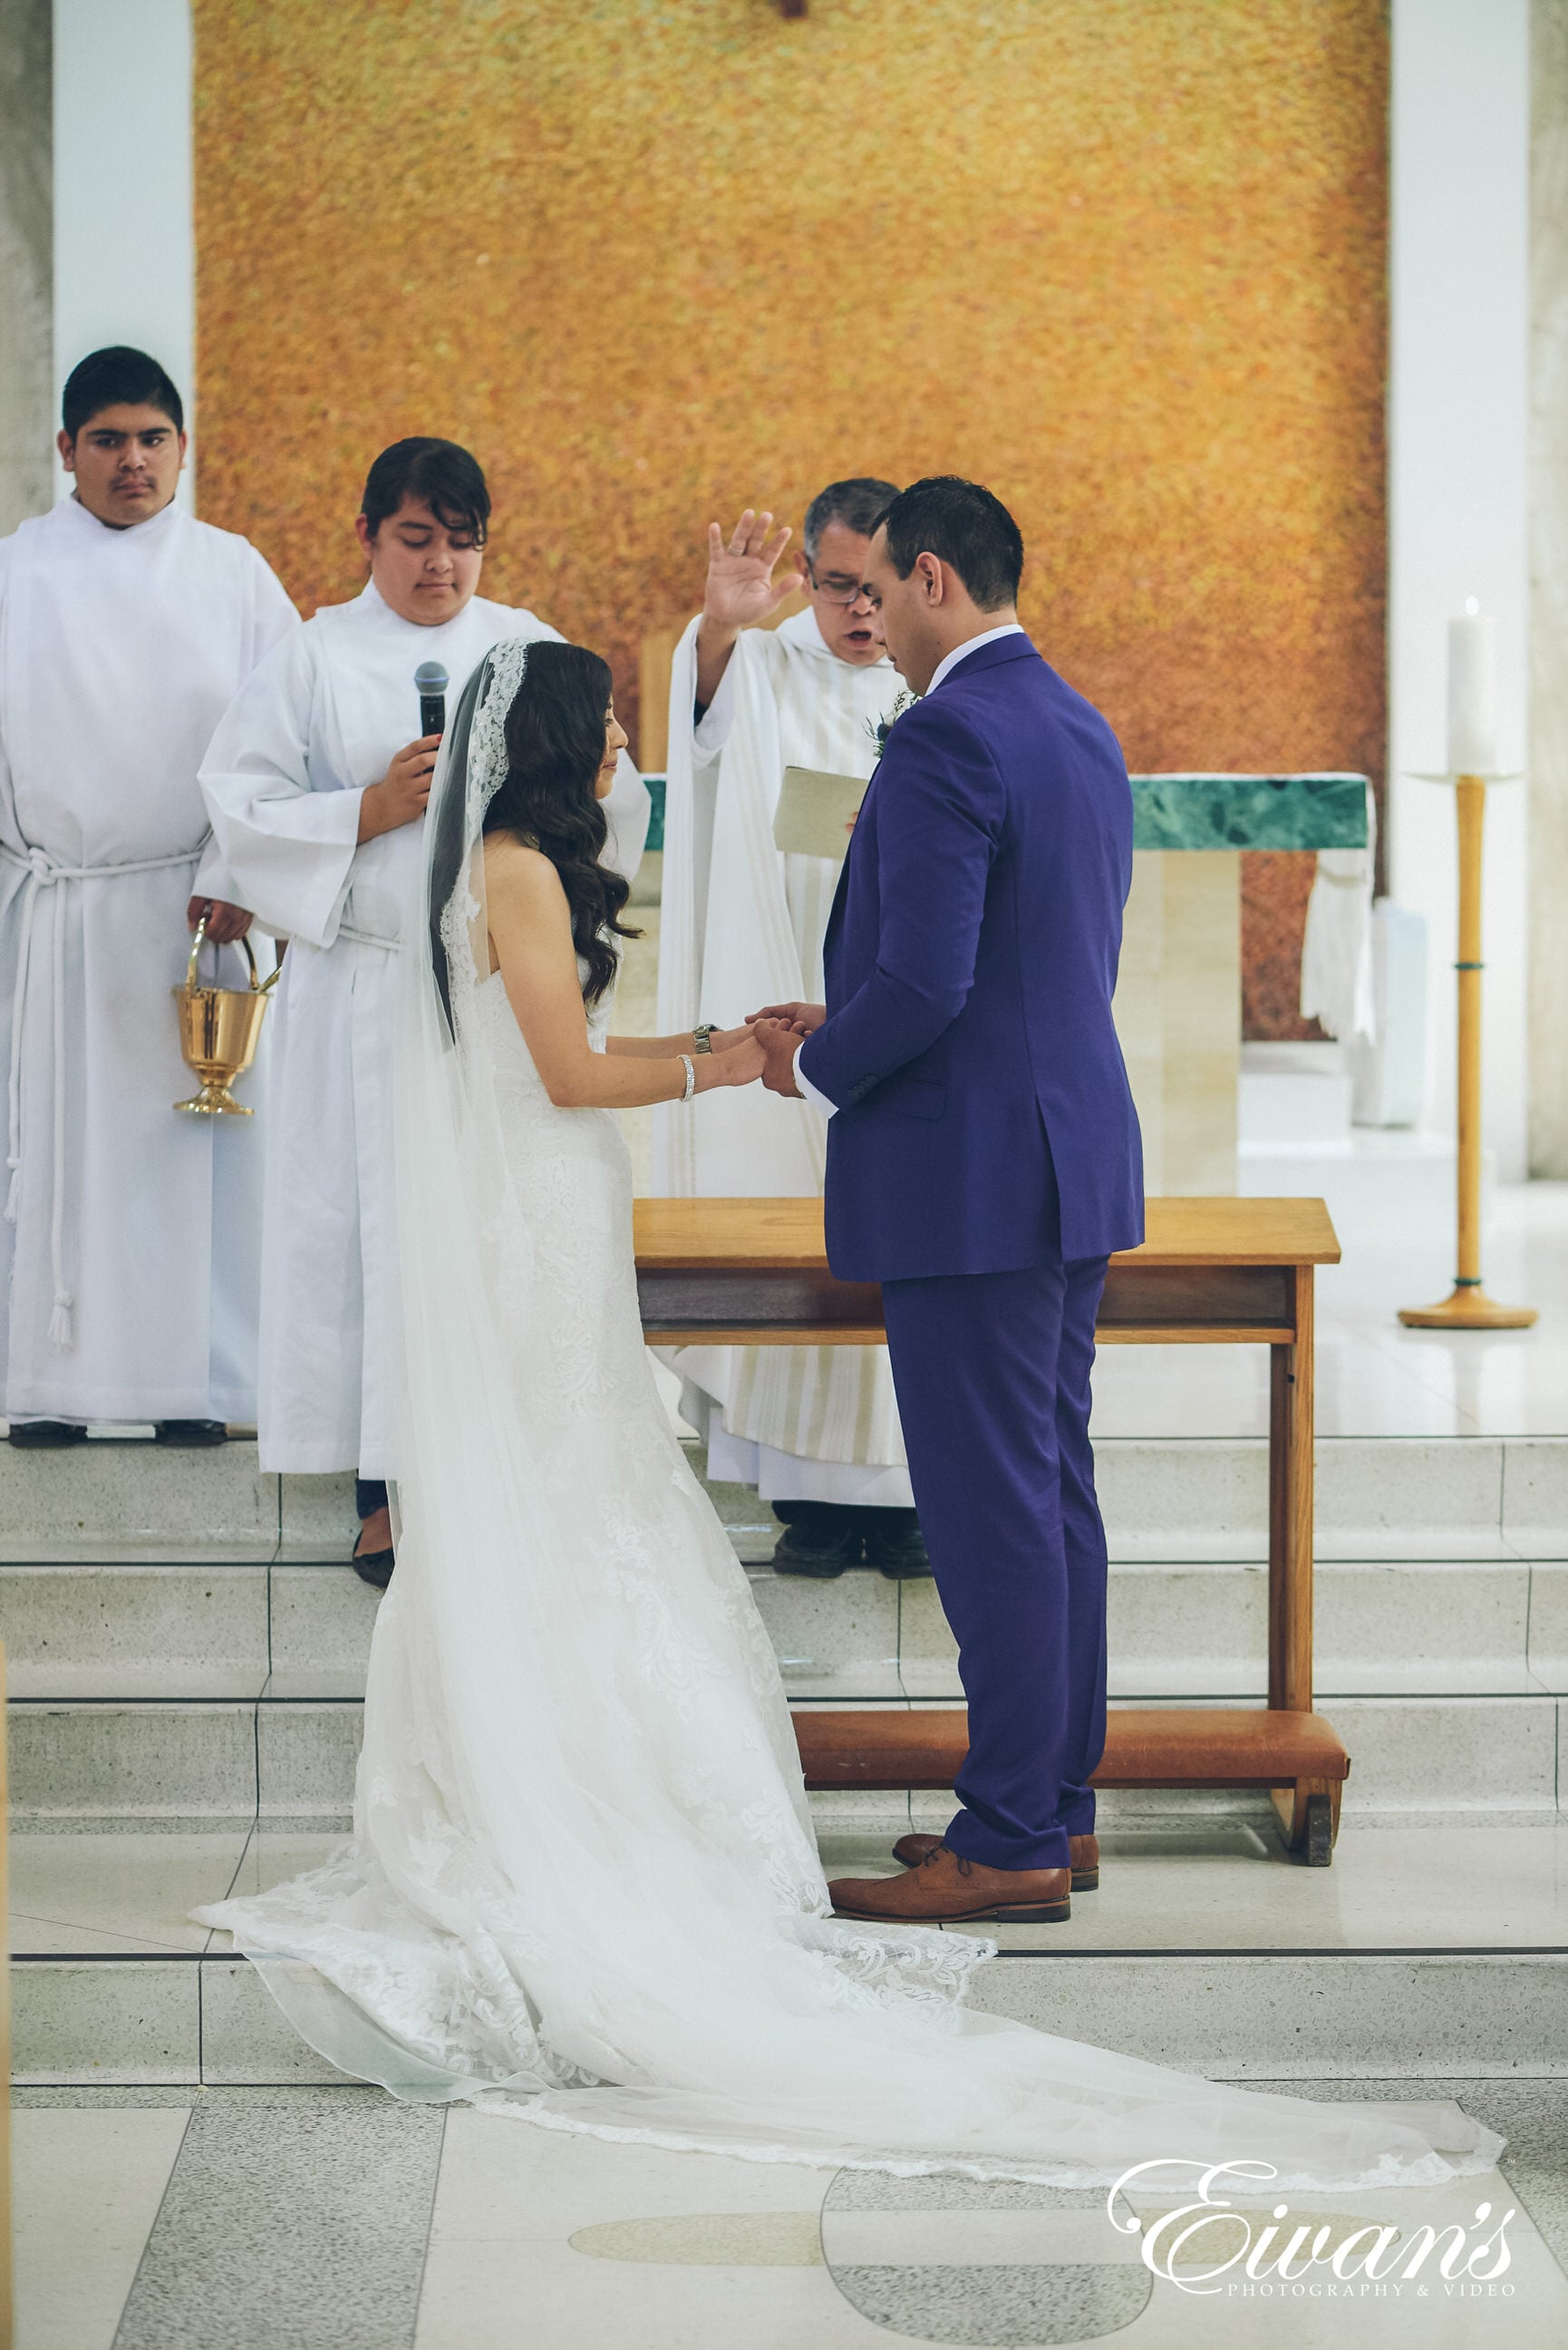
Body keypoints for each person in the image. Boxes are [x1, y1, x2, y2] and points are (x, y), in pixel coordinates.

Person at [198, 630, 1499, 2196]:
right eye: (608, 727)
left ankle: (611, 1791)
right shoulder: (517, 869)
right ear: (553, 742)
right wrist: (728, 1055)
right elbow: (561, 1070)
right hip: (537, 1207)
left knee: (589, 1487)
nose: (624, 746)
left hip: (543, 1210)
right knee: (578, 1488)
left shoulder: (520, 859)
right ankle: (583, 1812)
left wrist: (745, 1051)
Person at [750, 477, 1142, 1927]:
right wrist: (847, 1012)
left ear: (929, 578)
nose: (865, 616)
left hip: (971, 1179)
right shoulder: (1072, 721)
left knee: (989, 1516)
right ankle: (1054, 1805)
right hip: (1062, 1158)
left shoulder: (943, 737)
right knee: (1049, 1499)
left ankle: (1007, 1840)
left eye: (873, 587)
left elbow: (925, 982)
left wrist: (821, 1060)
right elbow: (1033, 956)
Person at [199, 439, 650, 1584]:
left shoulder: (527, 643)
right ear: (367, 537)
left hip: (487, 1004)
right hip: (361, 988)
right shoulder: (313, 653)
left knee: (476, 1231)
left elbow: (614, 792)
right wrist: (363, 807)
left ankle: (486, 1467)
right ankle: (382, 1487)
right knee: (369, 1234)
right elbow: (240, 810)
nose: (440, 562)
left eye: (462, 540)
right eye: (415, 538)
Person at [0, 345, 297, 1445]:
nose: (134, 461)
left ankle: (194, 1385)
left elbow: (280, 741)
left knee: (190, 1155)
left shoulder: (234, 575)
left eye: (154, 439)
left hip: (194, 915)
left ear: (183, 449)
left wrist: (235, 876)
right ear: (67, 451)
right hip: (58, 915)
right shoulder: (15, 575)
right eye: (110, 440)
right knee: (53, 1145)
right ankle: (47, 1383)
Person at [655, 482, 927, 1578]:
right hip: (789, 973)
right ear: (805, 579)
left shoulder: (935, 680)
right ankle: (807, 1500)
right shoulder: (768, 664)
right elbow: (708, 723)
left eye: (879, 588)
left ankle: (904, 1498)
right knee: (792, 1217)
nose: (861, 612)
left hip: (900, 997)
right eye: (836, 588)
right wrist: (721, 624)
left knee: (903, 1226)